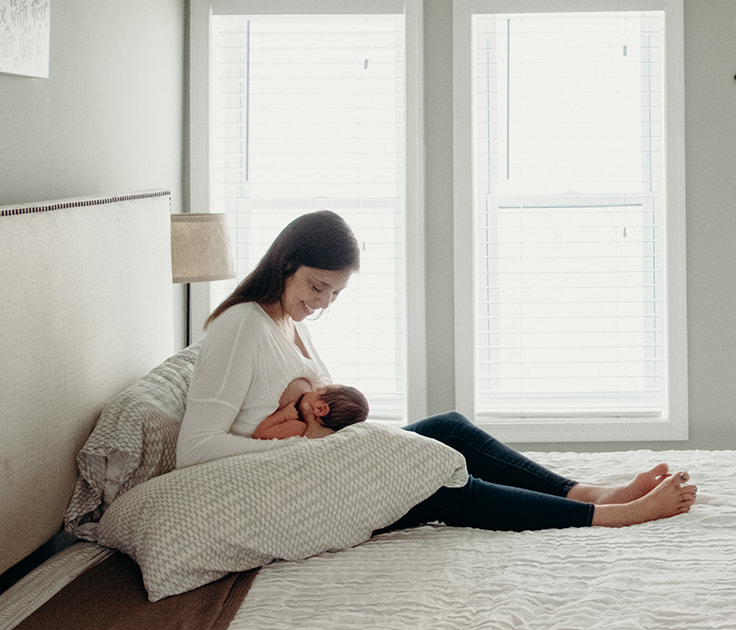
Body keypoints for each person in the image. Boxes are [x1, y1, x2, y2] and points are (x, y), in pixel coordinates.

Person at [175, 209, 696, 528]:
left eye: (335, 293)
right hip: (291, 486)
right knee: (434, 480)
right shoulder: (241, 326)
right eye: (317, 287)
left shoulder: (292, 324)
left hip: (325, 466)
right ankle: (607, 516)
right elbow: (193, 449)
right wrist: (301, 448)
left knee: (446, 429)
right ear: (285, 262)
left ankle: (587, 493)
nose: (324, 303)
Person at [252, 376, 370, 440]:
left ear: (320, 409)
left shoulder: (299, 428)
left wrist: (284, 414)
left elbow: (260, 433)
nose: (312, 390)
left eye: (318, 390)